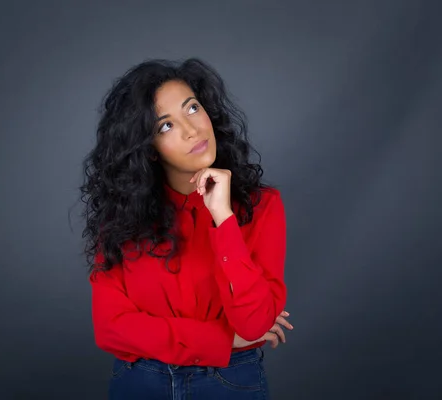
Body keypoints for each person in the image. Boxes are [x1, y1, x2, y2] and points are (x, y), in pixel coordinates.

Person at [80, 58, 292, 400]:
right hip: (140, 382)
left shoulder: (262, 206)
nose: (191, 130)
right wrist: (221, 340)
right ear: (148, 150)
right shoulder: (121, 219)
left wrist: (222, 218)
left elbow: (254, 324)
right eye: (165, 126)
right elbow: (110, 330)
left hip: (229, 382)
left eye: (192, 108)